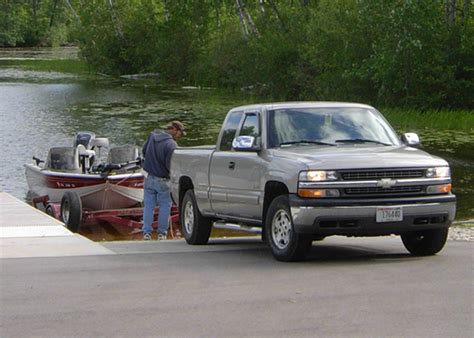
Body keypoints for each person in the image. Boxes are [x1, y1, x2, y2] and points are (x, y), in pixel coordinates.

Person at [142, 120, 186, 240]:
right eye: (180, 134)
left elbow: (144, 151)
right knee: (165, 206)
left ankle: (146, 233)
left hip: (149, 177)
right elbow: (170, 165)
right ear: (174, 130)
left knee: (148, 206)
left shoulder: (152, 136)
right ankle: (162, 234)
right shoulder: (172, 145)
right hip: (164, 180)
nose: (179, 137)